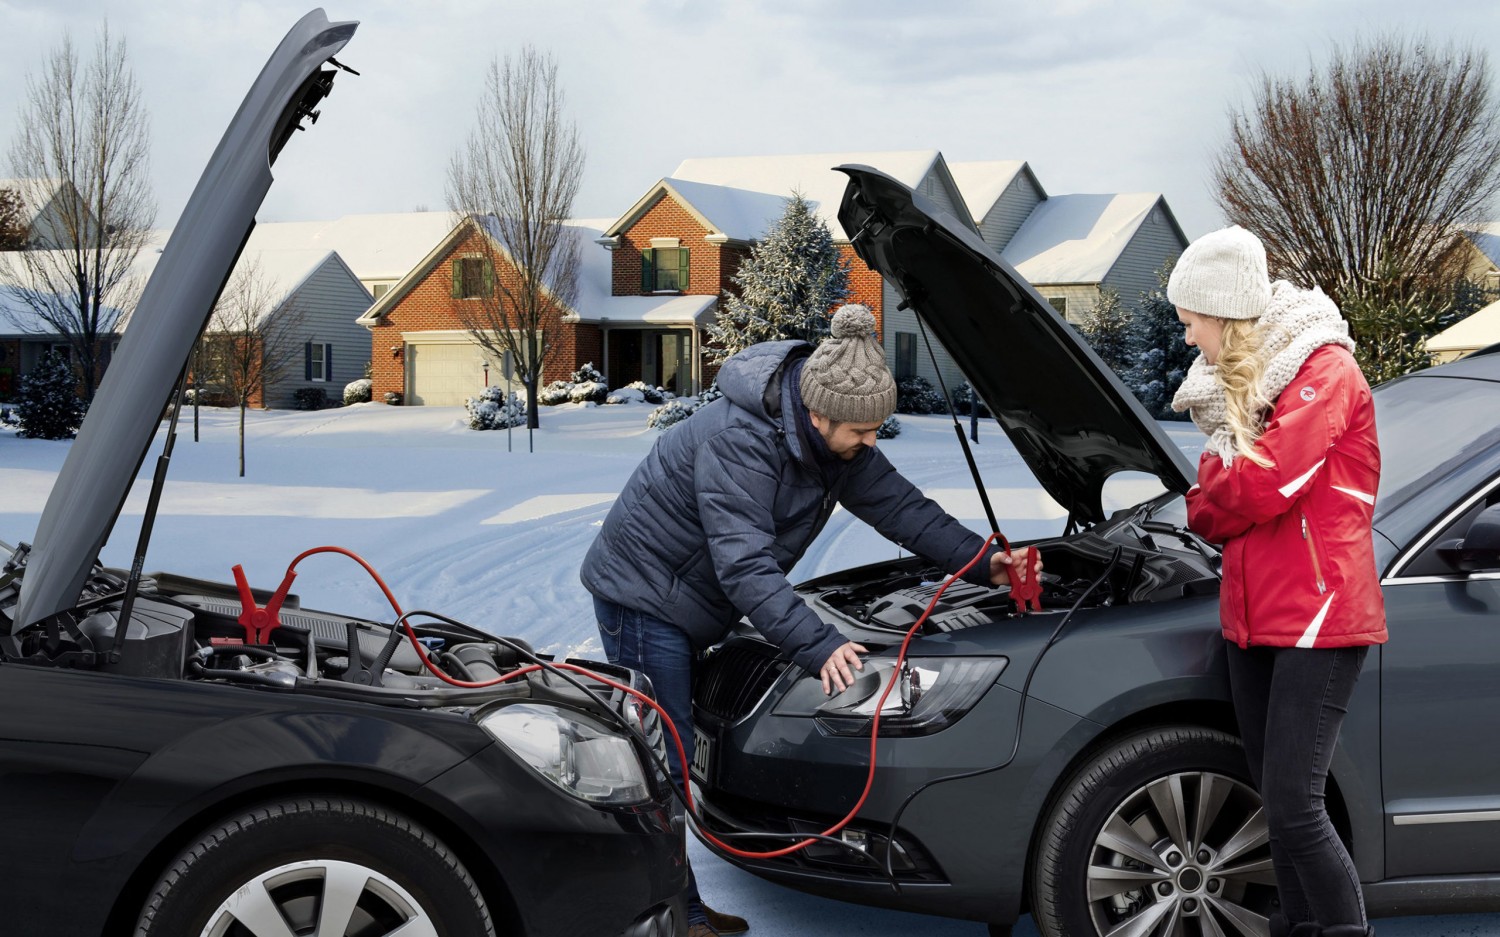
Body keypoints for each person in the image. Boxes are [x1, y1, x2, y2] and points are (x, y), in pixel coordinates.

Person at [582, 304, 1040, 937]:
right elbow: (745, 569)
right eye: (862, 431)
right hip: (642, 596)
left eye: (877, 428)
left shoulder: (833, 442)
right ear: (818, 414)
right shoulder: (742, 442)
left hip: (688, 597)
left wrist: (981, 563)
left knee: (673, 754)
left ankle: (677, 904)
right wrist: (819, 645)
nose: (871, 442)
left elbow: (903, 509)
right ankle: (674, 917)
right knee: (667, 758)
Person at [1169, 226, 1385, 937]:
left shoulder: (1325, 370)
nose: (1188, 336)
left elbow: (1264, 484)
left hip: (1321, 617)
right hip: (1255, 617)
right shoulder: (1252, 385)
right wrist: (1218, 488)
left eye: (1192, 320)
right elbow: (1212, 497)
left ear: (1224, 314)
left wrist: (1218, 488)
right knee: (1278, 802)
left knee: (1296, 802)